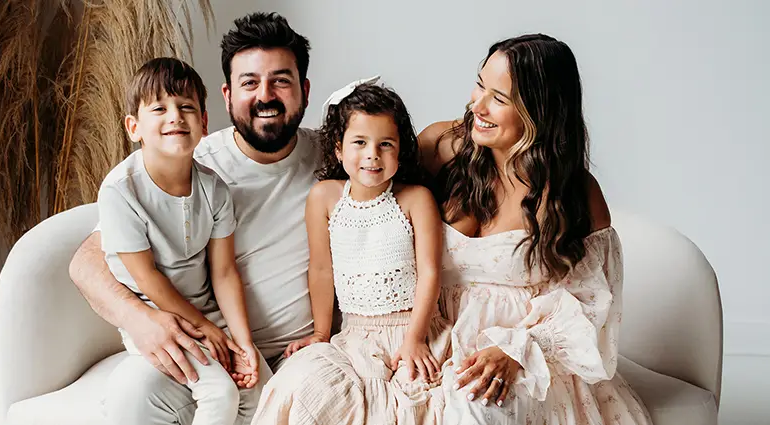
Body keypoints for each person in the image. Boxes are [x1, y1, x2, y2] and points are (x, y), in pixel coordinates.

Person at [252, 34, 654, 425]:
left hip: (511, 354)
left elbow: (591, 304)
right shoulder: (441, 146)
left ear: (540, 111)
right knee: (309, 390)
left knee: (476, 407)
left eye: (499, 99)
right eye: (480, 85)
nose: (477, 105)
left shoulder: (574, 192)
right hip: (425, 333)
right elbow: (370, 196)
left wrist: (516, 351)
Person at [67, 12, 323, 424]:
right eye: (249, 82)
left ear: (304, 90)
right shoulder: (184, 159)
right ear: (227, 96)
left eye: (281, 80)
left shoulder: (342, 156)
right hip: (197, 335)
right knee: (136, 390)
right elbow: (86, 263)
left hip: (293, 355)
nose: (265, 95)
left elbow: (412, 147)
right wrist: (142, 320)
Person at [254, 79, 450, 425]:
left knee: (403, 404)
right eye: (360, 142)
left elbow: (430, 273)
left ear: (400, 150)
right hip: (355, 336)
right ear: (339, 149)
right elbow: (321, 270)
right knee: (300, 386)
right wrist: (321, 334)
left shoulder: (416, 199)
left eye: (385, 144)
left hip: (413, 328)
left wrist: (415, 338)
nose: (372, 154)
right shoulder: (324, 197)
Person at [94, 56, 266, 425]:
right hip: (158, 315)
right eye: (160, 108)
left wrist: (243, 341)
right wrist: (204, 329)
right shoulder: (120, 191)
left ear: (204, 122)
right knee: (220, 392)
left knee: (260, 385)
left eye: (186, 107)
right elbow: (148, 279)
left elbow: (224, 272)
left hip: (206, 310)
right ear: (134, 127)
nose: (175, 116)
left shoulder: (214, 189)